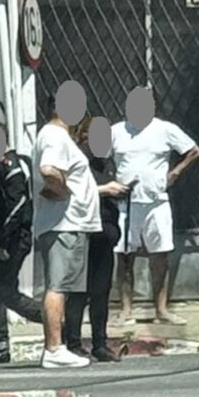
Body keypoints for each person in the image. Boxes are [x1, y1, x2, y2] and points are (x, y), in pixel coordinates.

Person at [33, 84, 118, 369]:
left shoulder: (59, 137)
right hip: (64, 223)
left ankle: (58, 347)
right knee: (58, 285)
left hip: (70, 224)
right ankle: (54, 348)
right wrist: (65, 192)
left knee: (65, 285)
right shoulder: (55, 136)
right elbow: (49, 171)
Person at [110, 86, 199, 333]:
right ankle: (125, 310)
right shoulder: (117, 131)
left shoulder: (165, 129)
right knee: (124, 257)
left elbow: (194, 151)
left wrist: (175, 173)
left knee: (159, 256)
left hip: (156, 202)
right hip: (126, 204)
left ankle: (161, 309)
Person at [65, 118, 127, 363]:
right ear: (84, 137)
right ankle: (73, 342)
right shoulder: (78, 162)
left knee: (101, 292)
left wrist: (120, 191)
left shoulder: (105, 164)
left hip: (106, 234)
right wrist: (105, 190)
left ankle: (100, 343)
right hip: (84, 234)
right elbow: (73, 192)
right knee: (78, 292)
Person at [0, 125, 41, 365]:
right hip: (6, 237)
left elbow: (17, 207)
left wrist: (3, 241)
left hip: (14, 238)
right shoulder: (0, 167)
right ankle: (55, 320)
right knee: (5, 293)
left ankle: (0, 344)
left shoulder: (12, 167)